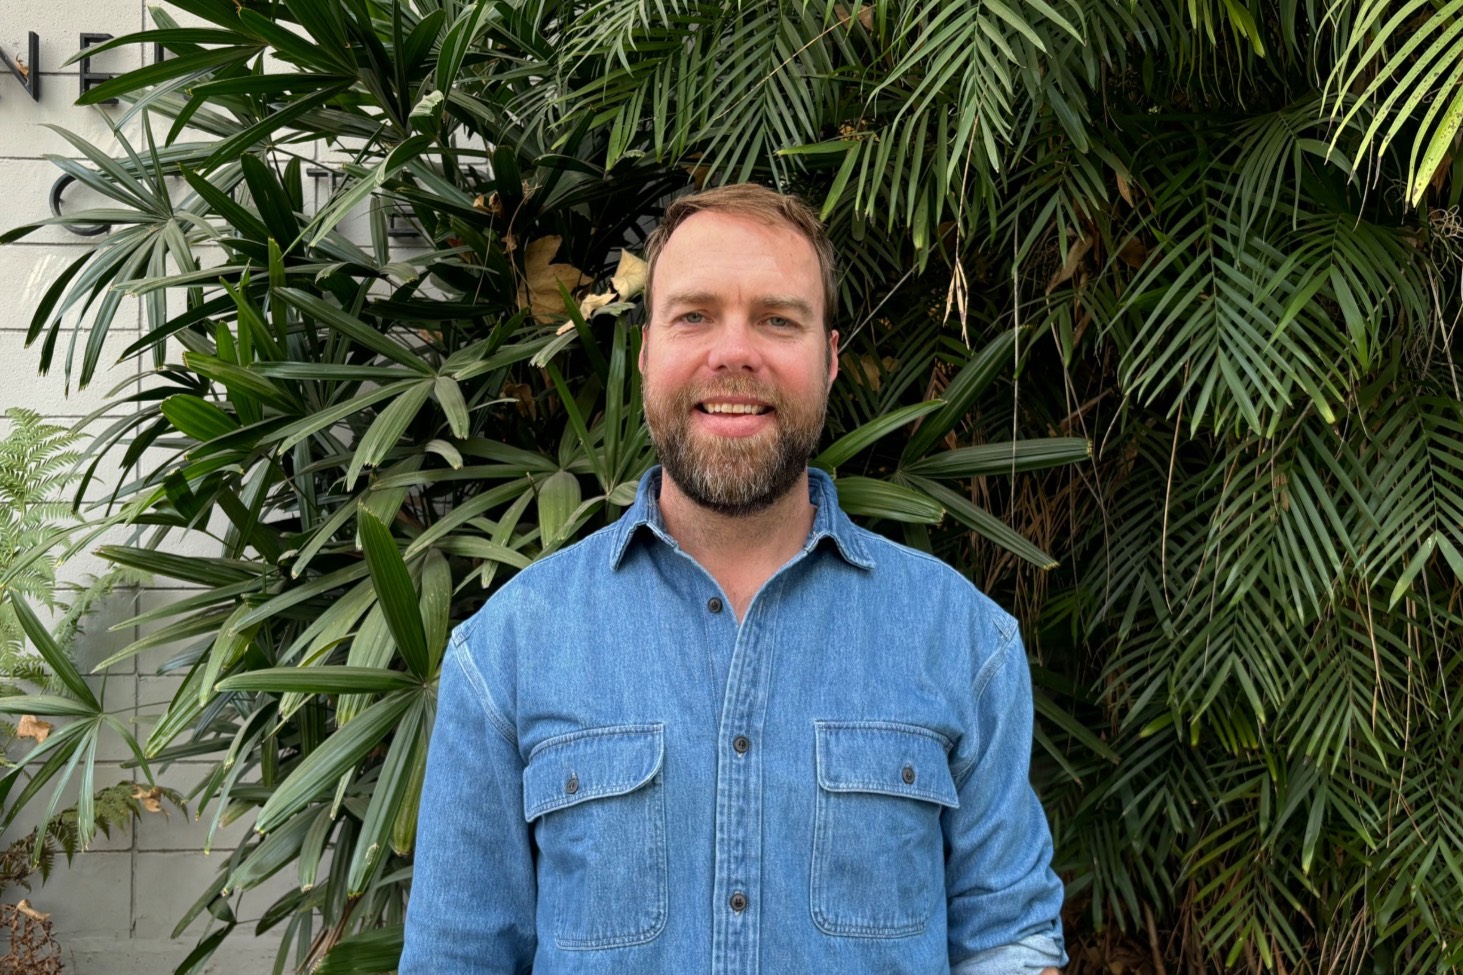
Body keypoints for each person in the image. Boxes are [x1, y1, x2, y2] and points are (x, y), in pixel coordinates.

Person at [399, 184, 1067, 974]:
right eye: (694, 315)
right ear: (646, 352)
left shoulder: (963, 642)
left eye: (778, 319)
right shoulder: (505, 653)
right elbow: (457, 958)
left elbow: (1008, 942)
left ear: (829, 358)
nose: (734, 352)